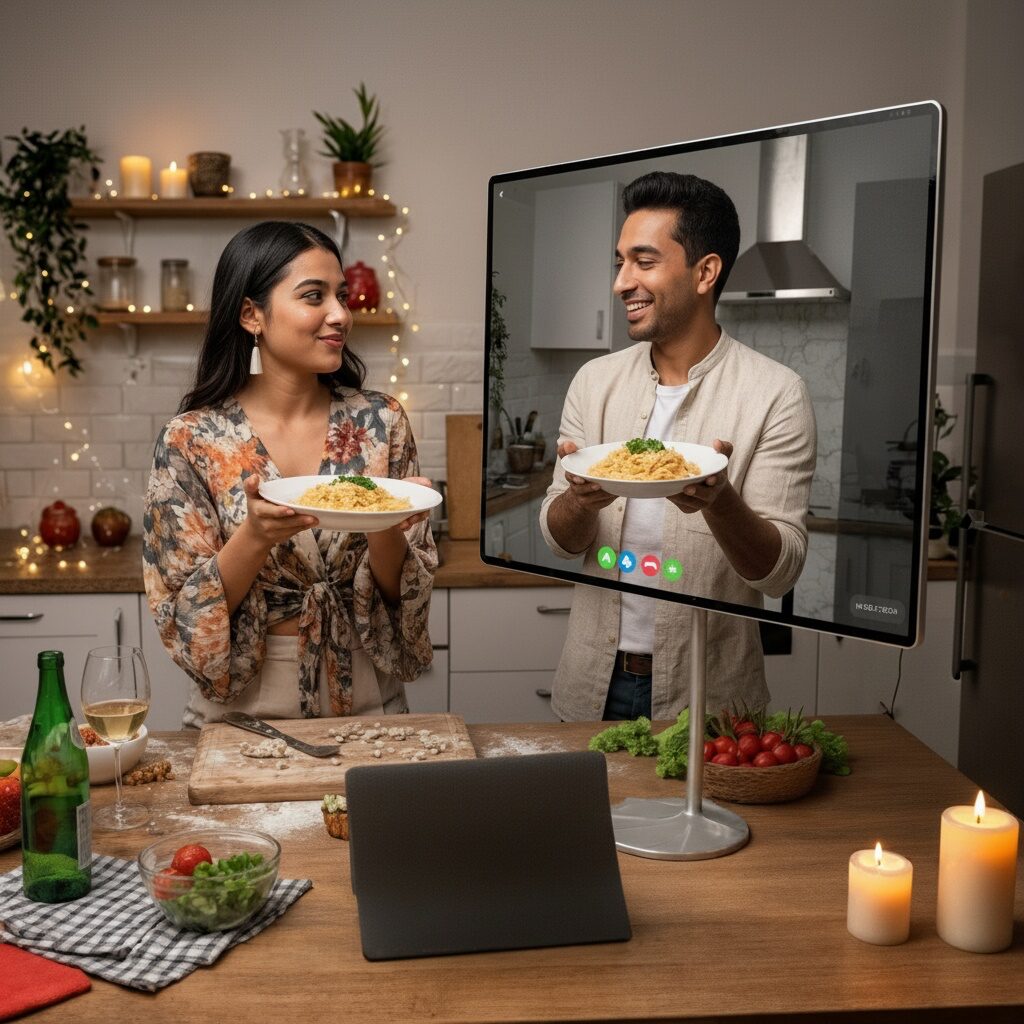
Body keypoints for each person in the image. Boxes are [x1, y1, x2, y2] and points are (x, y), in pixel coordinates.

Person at [540, 171, 816, 721]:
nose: (621, 283)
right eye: (619, 263)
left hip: (711, 698)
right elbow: (560, 543)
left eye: (643, 262)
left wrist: (720, 501)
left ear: (705, 272)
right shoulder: (594, 382)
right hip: (591, 684)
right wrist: (578, 499)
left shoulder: (776, 393)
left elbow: (779, 572)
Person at [144, 221, 436, 727]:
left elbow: (404, 598)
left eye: (341, 295)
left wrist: (386, 524)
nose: (340, 314)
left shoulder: (381, 422)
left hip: (369, 697)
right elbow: (182, 618)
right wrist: (255, 536)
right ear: (251, 314)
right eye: (313, 296)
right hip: (243, 708)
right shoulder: (191, 440)